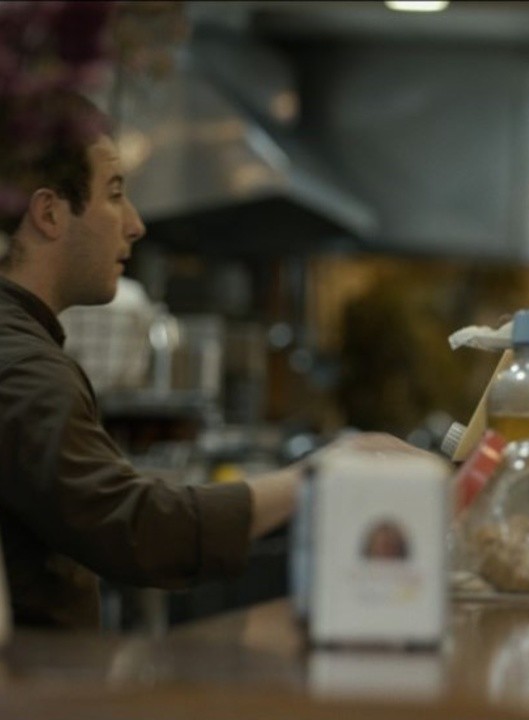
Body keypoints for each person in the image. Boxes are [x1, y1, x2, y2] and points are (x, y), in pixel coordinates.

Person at [0, 90, 421, 629]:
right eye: (115, 194)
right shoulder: (24, 367)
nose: (135, 223)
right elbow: (140, 530)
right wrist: (317, 477)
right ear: (49, 213)